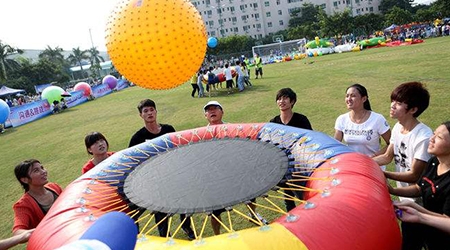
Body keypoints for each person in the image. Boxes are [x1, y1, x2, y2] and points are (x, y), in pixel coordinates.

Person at [129, 99, 194, 240]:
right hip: (154, 181)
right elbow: (133, 162)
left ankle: (186, 226)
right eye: (145, 111)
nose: (149, 113)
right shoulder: (137, 138)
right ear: (141, 115)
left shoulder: (168, 130)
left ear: (156, 112)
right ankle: (165, 237)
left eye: (152, 109)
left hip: (174, 175)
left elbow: (178, 150)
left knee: (184, 204)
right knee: (161, 211)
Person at [388, 121, 450, 249]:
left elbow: (446, 220)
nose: (431, 139)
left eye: (439, 137)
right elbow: (419, 188)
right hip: (428, 230)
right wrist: (392, 190)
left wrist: (420, 214)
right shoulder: (434, 162)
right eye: (434, 134)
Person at [373, 81, 432, 203]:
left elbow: (414, 175)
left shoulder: (423, 137)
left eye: (398, 103)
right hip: (404, 194)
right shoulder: (397, 127)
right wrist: (363, 162)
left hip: (421, 199)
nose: (392, 105)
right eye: (393, 101)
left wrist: (384, 174)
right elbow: (387, 157)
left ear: (413, 109)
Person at [269, 88, 313, 211]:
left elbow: (310, 139)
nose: (281, 101)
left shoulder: (301, 120)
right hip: (283, 166)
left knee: (303, 195)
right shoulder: (274, 123)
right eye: (279, 98)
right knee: (288, 198)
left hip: (300, 165)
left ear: (292, 101)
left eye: (285, 98)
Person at [334, 84, 391, 170]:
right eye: (347, 96)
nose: (349, 99)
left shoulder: (377, 119)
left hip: (373, 166)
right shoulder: (342, 119)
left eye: (353, 96)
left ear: (364, 99)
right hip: (352, 166)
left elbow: (391, 144)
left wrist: (376, 156)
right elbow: (335, 145)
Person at [13, 159, 63, 237]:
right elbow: (18, 232)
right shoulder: (22, 205)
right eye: (36, 171)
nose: (43, 172)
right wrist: (42, 230)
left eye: (42, 168)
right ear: (25, 180)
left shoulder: (54, 187)